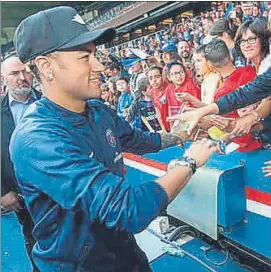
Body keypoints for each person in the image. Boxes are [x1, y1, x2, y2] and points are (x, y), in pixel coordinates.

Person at [10, 6, 218, 272]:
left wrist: (180, 134)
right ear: (45, 66)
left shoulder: (97, 110)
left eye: (95, 54)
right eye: (84, 57)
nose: (99, 65)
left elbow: (137, 139)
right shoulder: (37, 137)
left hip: (124, 254)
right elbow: (127, 209)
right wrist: (189, 162)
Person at [1, 53, 41, 271]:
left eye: (25, 71)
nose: (22, 77)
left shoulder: (51, 102)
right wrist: (2, 190)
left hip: (61, 189)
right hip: (22, 197)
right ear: (3, 79)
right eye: (14, 73)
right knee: (35, 241)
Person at [204, 39, 261, 152]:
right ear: (230, 55)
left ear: (210, 64)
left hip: (246, 146)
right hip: (264, 135)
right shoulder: (251, 70)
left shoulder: (220, 94)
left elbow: (226, 125)